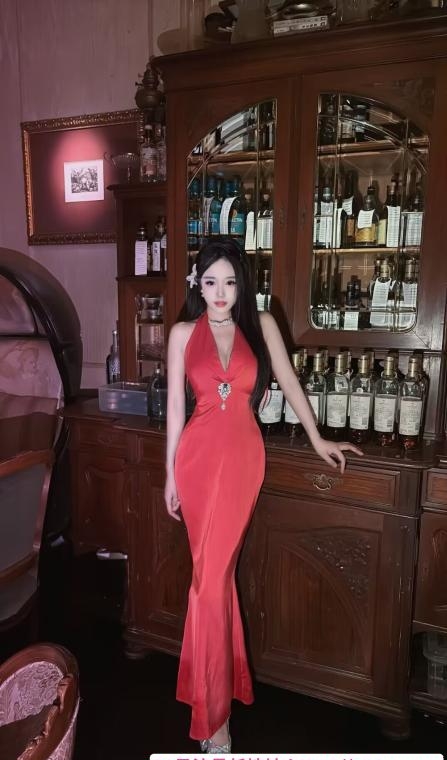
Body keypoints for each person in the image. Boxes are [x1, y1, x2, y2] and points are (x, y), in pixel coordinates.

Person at [165, 238, 362, 752]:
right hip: (195, 462)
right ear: (197, 284)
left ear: (242, 284)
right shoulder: (182, 333)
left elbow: (292, 384)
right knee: (211, 581)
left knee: (210, 581)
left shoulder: (262, 325)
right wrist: (169, 475)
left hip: (242, 461)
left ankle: (212, 713)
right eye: (211, 282)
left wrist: (318, 439)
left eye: (230, 282)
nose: (220, 292)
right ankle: (216, 709)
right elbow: (175, 411)